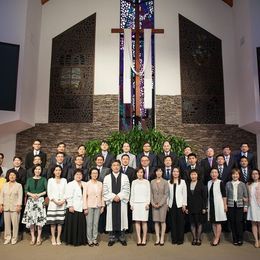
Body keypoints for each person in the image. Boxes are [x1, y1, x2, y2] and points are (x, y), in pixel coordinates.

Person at [103, 160, 130, 246]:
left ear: (120, 166)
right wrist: (113, 197)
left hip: (121, 202)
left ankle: (122, 238)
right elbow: (105, 190)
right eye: (114, 165)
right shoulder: (107, 177)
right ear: (111, 167)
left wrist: (119, 196)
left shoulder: (125, 177)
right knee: (111, 220)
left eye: (117, 165)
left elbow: (127, 189)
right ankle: (112, 238)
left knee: (122, 219)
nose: (116, 167)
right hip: (111, 202)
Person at [22, 164, 47, 245]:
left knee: (39, 221)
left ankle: (39, 237)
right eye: (36, 169)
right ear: (33, 170)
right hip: (31, 201)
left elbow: (47, 190)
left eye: (39, 169)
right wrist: (31, 194)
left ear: (41, 170)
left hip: (40, 201)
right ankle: (33, 237)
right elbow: (25, 190)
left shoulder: (44, 179)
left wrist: (39, 194)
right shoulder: (29, 179)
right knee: (31, 220)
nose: (37, 171)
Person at [63, 169, 87, 246]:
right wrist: (70, 205)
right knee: (72, 225)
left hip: (82, 207)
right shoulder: (70, 184)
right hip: (73, 207)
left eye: (80, 174)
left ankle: (80, 240)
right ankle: (72, 241)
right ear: (74, 175)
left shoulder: (85, 184)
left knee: (80, 225)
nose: (78, 176)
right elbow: (68, 196)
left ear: (82, 176)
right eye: (77, 174)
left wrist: (85, 207)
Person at [226, 168, 248, 246]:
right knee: (232, 222)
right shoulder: (228, 184)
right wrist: (226, 205)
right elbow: (226, 196)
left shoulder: (242, 184)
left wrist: (245, 206)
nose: (235, 175)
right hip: (231, 205)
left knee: (238, 222)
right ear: (231, 175)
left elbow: (246, 196)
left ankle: (240, 238)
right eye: (233, 174)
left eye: (237, 174)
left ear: (239, 175)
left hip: (240, 206)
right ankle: (234, 239)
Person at [83, 167, 104, 246]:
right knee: (89, 223)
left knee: (96, 223)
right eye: (93, 173)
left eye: (96, 173)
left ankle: (95, 239)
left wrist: (102, 206)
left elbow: (102, 195)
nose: (95, 174)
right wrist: (85, 208)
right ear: (90, 174)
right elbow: (84, 196)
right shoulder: (87, 184)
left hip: (98, 205)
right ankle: (89, 240)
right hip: (89, 206)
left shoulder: (100, 183)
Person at [0, 171, 23, 245]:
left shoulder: (19, 185)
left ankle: (14, 238)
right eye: (10, 175)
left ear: (16, 176)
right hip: (6, 207)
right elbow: (1, 195)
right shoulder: (5, 185)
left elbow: (20, 196)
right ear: (8, 176)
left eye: (13, 175)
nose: (12, 176)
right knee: (7, 224)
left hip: (15, 207)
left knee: (15, 224)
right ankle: (7, 238)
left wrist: (19, 205)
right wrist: (1, 204)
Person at [46, 165, 67, 245]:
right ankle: (53, 237)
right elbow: (49, 192)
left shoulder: (64, 180)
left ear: (61, 171)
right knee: (53, 222)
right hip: (53, 204)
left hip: (62, 204)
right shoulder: (50, 180)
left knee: (60, 222)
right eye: (56, 170)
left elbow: (66, 191)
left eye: (59, 170)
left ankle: (58, 237)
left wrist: (63, 200)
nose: (58, 172)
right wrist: (55, 201)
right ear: (53, 172)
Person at [186, 169, 207, 246]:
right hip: (190, 207)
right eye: (192, 174)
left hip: (199, 207)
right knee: (192, 223)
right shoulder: (187, 184)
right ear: (190, 176)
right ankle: (194, 238)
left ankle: (198, 238)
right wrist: (186, 207)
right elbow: (186, 197)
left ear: (197, 175)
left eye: (195, 174)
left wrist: (204, 207)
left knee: (199, 223)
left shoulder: (201, 184)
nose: (193, 176)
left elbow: (204, 197)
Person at [130, 168, 150, 246]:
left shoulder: (147, 182)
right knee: (137, 222)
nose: (140, 174)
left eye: (141, 172)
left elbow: (149, 194)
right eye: (138, 172)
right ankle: (139, 239)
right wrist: (131, 204)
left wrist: (148, 203)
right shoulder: (134, 182)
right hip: (135, 204)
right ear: (136, 173)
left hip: (144, 204)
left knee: (144, 222)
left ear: (143, 173)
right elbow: (132, 194)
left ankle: (144, 238)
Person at [207, 168, 227, 246]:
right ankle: (216, 236)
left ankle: (217, 238)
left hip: (219, 205)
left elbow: (224, 195)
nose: (214, 174)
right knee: (213, 222)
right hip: (211, 205)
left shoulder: (220, 182)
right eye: (212, 172)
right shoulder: (208, 182)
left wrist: (225, 205)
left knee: (218, 222)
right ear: (210, 174)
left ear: (218, 174)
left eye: (215, 172)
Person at [168, 167, 187, 245]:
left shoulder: (182, 182)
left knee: (180, 223)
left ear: (179, 173)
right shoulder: (168, 182)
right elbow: (167, 194)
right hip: (171, 205)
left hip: (180, 205)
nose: (175, 173)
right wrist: (167, 204)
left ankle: (180, 239)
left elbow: (184, 194)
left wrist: (184, 204)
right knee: (172, 222)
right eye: (174, 171)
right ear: (172, 173)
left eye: (177, 171)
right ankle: (174, 239)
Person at [150, 167, 169, 246]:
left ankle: (162, 238)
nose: (158, 172)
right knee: (156, 221)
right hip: (154, 204)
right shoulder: (152, 181)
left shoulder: (165, 182)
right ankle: (157, 238)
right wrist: (153, 203)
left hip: (163, 205)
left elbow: (166, 194)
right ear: (155, 172)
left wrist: (160, 203)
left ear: (162, 172)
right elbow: (150, 193)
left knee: (162, 221)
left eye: (160, 171)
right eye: (157, 171)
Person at [247, 169, 260, 248]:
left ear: (259, 175)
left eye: (256, 174)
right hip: (252, 206)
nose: (254, 175)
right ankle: (256, 240)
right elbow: (247, 196)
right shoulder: (248, 184)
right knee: (254, 223)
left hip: (259, 206)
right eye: (253, 174)